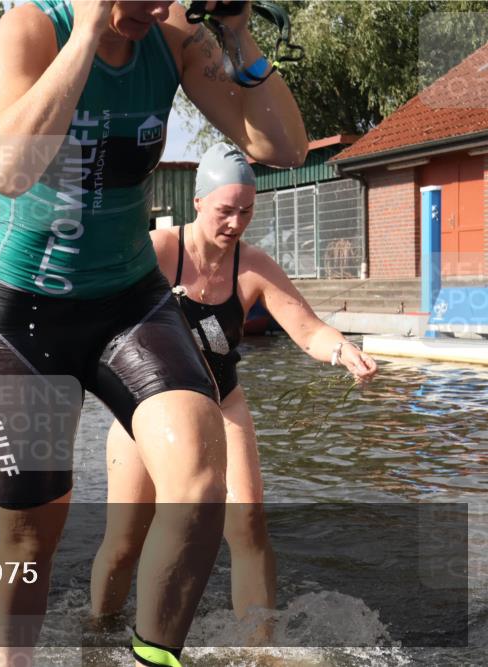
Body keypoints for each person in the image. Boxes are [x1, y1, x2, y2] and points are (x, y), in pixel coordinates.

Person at [0, 1, 307, 664]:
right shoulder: (34, 27)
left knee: (199, 483)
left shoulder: (173, 40)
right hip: (24, 314)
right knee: (31, 539)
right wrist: (88, 33)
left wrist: (235, 30)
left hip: (127, 300)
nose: (156, 8)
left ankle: (153, 657)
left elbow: (284, 147)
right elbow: (7, 169)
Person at [90, 143, 379, 633]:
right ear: (198, 203)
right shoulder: (156, 253)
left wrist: (341, 349)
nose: (236, 223)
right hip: (149, 411)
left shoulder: (254, 265)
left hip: (223, 403)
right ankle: (97, 627)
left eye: (247, 212)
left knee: (248, 525)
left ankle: (259, 643)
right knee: (124, 541)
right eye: (225, 211)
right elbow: (97, 314)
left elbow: (307, 329)